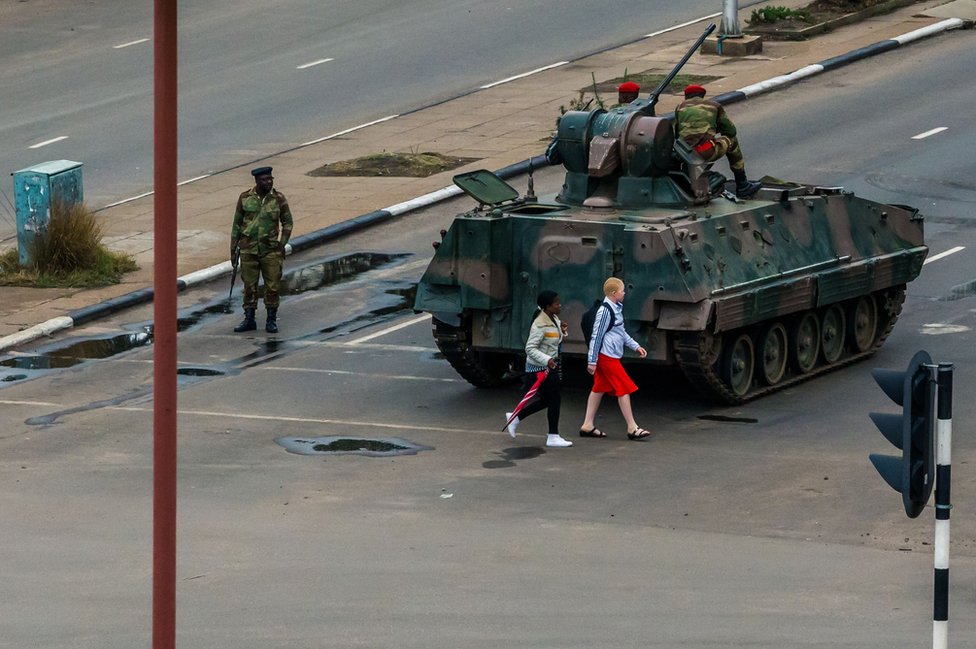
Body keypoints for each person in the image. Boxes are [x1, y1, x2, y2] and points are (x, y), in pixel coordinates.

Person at [579, 277, 650, 440]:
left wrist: (635, 346)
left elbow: (620, 332)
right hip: (606, 356)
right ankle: (632, 427)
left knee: (598, 388)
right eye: (622, 290)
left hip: (608, 354)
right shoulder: (605, 311)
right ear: (613, 293)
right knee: (624, 387)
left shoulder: (615, 307)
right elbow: (596, 336)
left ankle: (587, 425)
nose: (624, 293)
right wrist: (592, 361)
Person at [505, 290, 573, 448]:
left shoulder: (553, 318)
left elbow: (551, 339)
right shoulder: (540, 324)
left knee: (550, 400)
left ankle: (516, 418)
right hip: (539, 369)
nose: (560, 305)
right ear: (548, 307)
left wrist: (561, 330)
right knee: (553, 399)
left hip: (549, 366)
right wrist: (547, 359)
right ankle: (552, 435)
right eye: (556, 303)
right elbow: (530, 348)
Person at [230, 166, 294, 334]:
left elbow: (287, 222)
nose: (268, 182)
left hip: (270, 251)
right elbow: (237, 224)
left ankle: (271, 320)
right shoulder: (245, 198)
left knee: (272, 287)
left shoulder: (278, 199)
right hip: (248, 250)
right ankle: (249, 319)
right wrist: (233, 249)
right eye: (264, 179)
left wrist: (282, 243)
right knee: (249, 286)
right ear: (257, 181)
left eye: (270, 179)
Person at [674, 84, 761, 198]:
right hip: (705, 151)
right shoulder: (714, 106)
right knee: (732, 141)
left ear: (686, 96)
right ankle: (742, 184)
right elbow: (731, 131)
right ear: (702, 95)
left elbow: (677, 133)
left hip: (686, 154)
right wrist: (713, 128)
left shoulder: (679, 107)